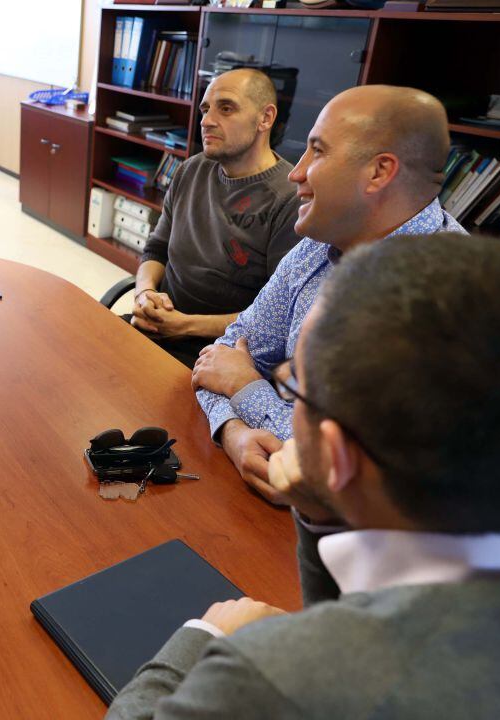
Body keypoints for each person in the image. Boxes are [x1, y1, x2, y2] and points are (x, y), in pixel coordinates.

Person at [106, 232, 500, 719]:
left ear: (336, 452)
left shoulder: (275, 674)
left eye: (295, 386)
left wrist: (204, 641)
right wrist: (322, 502)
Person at [192, 85, 463, 501]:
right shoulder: (323, 240)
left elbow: (357, 473)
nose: (295, 173)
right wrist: (234, 433)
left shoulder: (447, 297)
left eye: (317, 152)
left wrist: (245, 388)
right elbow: (222, 358)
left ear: (379, 172)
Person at [130, 68, 300, 368]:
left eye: (226, 108)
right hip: (159, 326)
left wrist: (184, 325)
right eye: (205, 109)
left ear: (265, 118)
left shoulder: (290, 201)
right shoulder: (190, 170)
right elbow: (156, 248)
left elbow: (277, 317)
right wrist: (145, 293)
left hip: (223, 353)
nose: (207, 121)